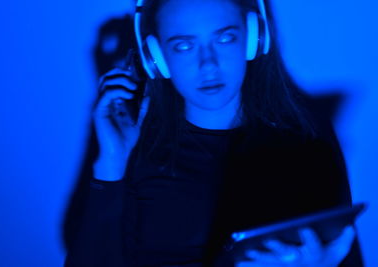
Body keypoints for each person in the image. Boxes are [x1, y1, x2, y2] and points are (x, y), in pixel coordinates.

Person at [65, 0, 364, 266]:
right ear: (156, 57)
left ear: (253, 39)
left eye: (225, 38)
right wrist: (110, 167)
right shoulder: (132, 150)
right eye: (184, 45)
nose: (208, 64)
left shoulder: (308, 143)